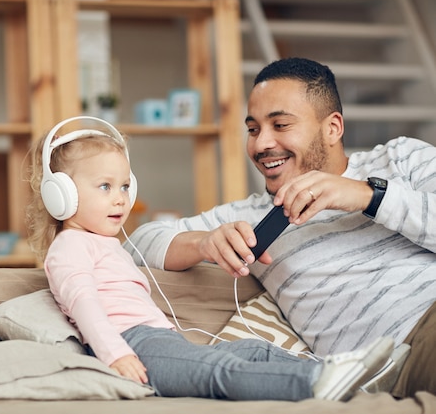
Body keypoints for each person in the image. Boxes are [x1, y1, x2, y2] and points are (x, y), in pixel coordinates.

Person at [123, 57, 436, 398]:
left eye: (281, 125)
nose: (260, 145)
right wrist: (203, 243)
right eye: (253, 129)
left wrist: (368, 196)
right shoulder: (252, 216)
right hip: (390, 364)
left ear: (332, 128)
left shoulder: (401, 159)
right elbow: (136, 246)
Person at [26, 115, 393, 402]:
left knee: (253, 349)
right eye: (105, 187)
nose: (120, 198)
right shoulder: (69, 247)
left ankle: (346, 376)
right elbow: (84, 304)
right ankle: (315, 383)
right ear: (62, 196)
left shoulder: (107, 244)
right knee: (220, 370)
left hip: (158, 340)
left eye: (125, 186)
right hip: (132, 345)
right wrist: (115, 355)